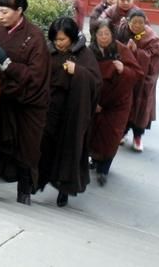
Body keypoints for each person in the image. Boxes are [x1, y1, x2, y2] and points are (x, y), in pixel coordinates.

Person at [0, 0, 50, 206]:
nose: (1, 16)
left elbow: (37, 75)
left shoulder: (34, 37)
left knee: (27, 148)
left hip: (29, 103)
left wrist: (8, 65)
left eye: (5, 11)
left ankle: (24, 191)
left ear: (19, 10)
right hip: (2, 97)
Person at [37, 17, 101, 207]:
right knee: (44, 147)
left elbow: (96, 82)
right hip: (50, 110)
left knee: (69, 149)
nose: (59, 44)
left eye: (63, 40)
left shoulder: (84, 55)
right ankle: (37, 181)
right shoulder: (49, 52)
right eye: (56, 40)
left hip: (73, 112)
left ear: (72, 38)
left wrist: (78, 71)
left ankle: (64, 189)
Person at [88, 20, 143, 186]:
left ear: (112, 35)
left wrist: (123, 70)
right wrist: (92, 102)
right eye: (100, 34)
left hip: (118, 103)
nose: (104, 37)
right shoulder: (90, 51)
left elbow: (138, 74)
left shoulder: (121, 50)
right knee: (94, 133)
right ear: (94, 36)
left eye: (107, 34)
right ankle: (95, 159)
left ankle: (104, 169)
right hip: (96, 102)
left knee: (112, 135)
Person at [116, 10, 159, 152]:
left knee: (140, 108)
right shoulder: (123, 30)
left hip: (143, 80)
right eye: (134, 22)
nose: (136, 25)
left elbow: (153, 60)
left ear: (145, 23)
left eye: (140, 23)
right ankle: (122, 133)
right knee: (124, 106)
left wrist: (136, 51)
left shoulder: (152, 38)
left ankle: (138, 137)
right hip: (127, 77)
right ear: (128, 22)